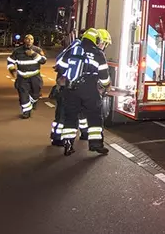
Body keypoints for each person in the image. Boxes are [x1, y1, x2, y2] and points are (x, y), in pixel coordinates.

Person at [55, 28, 112, 156]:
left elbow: (61, 67)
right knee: (94, 116)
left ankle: (68, 144)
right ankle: (96, 144)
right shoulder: (98, 53)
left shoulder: (73, 50)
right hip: (90, 89)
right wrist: (106, 86)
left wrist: (64, 80)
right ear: (96, 40)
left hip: (71, 88)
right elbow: (104, 77)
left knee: (71, 117)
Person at [49, 32, 90, 146]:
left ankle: (82, 133)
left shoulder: (72, 48)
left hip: (68, 87)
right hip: (68, 88)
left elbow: (59, 63)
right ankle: (58, 138)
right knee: (66, 114)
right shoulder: (78, 50)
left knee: (75, 113)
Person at [7, 34, 47, 119]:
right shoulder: (17, 51)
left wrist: (33, 54)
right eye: (27, 39)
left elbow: (43, 61)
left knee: (36, 94)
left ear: (33, 41)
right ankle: (26, 112)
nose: (29, 41)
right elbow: (10, 61)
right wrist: (12, 69)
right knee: (23, 95)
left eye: (31, 39)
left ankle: (33, 102)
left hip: (35, 77)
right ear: (24, 40)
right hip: (22, 78)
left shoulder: (37, 50)